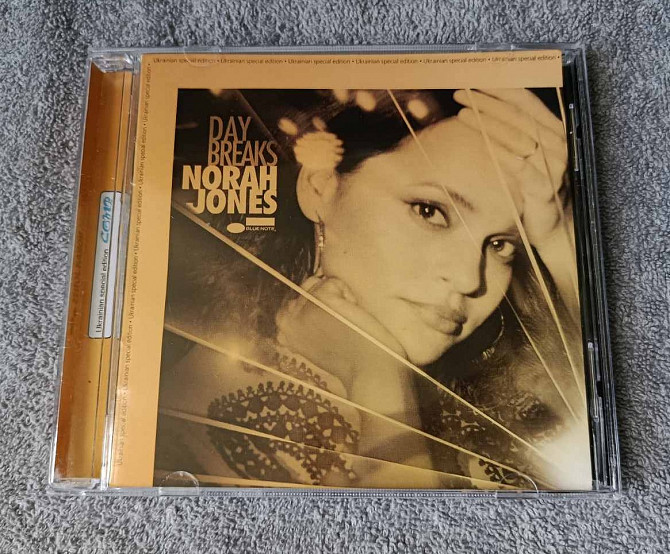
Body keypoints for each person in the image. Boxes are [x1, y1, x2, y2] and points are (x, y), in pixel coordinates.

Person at [156, 87, 589, 489]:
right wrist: (378, 383)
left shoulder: (492, 404)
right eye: (429, 211)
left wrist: (560, 236)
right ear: (320, 187)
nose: (469, 280)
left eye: (500, 245)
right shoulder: (179, 431)